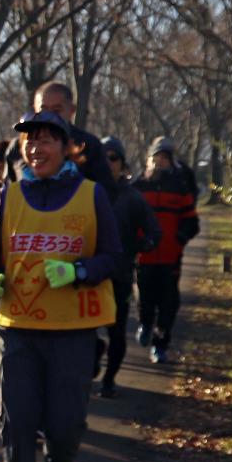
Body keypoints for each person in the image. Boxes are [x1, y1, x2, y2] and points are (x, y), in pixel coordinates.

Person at [0, 110, 122, 462]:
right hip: (15, 326)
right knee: (16, 418)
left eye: (46, 140)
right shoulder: (8, 196)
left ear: (67, 148)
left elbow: (114, 257)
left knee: (66, 421)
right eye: (29, 141)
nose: (36, 148)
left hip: (73, 330)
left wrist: (77, 272)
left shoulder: (92, 195)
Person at [94, 136, 157, 398]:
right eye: (103, 157)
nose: (108, 163)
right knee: (84, 330)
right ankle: (94, 354)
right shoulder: (82, 191)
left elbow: (154, 231)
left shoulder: (132, 197)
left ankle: (109, 380)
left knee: (116, 330)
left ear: (123, 164)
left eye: (114, 158)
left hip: (119, 275)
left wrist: (139, 245)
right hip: (87, 274)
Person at [133, 136, 199, 363]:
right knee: (145, 299)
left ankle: (160, 344)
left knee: (169, 302)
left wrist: (180, 238)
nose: (160, 163)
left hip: (171, 257)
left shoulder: (180, 188)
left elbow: (191, 221)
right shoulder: (138, 186)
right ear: (148, 160)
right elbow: (128, 219)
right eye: (156, 159)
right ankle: (145, 324)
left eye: (165, 159)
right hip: (144, 256)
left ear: (171, 162)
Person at [29, 81, 110, 183]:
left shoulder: (88, 145)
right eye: (44, 110)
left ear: (71, 110)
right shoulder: (21, 147)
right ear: (35, 109)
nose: (50, 117)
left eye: (56, 110)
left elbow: (106, 191)